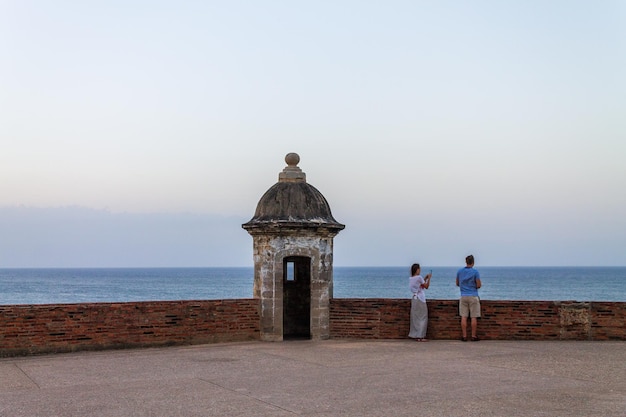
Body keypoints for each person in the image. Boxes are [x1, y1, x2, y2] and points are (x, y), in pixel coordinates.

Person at [456, 254, 482, 341]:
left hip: (463, 296)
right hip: (473, 295)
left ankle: (464, 336)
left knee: (464, 316)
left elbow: (457, 283)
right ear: (473, 262)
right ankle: (473, 336)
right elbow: (478, 285)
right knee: (473, 317)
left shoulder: (460, 271)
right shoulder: (475, 272)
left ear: (466, 261)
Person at [408, 263, 432, 341]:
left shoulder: (411, 278)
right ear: (417, 269)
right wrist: (429, 279)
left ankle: (416, 335)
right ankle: (421, 336)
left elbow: (420, 285)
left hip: (414, 298)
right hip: (420, 298)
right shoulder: (419, 277)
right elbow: (426, 286)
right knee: (423, 317)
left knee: (415, 318)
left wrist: (424, 278)